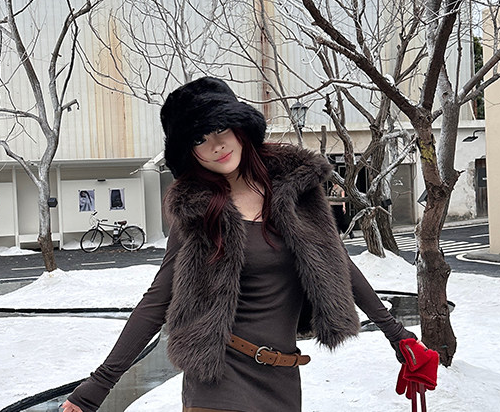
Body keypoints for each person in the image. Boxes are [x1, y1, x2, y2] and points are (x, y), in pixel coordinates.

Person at [63, 77, 417, 412]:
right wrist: (98, 386)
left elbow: (336, 261)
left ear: (239, 127)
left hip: (282, 379)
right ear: (189, 152)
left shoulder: (295, 191)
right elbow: (157, 300)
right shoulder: (199, 212)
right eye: (199, 138)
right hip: (218, 381)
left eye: (220, 128)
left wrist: (398, 335)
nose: (216, 145)